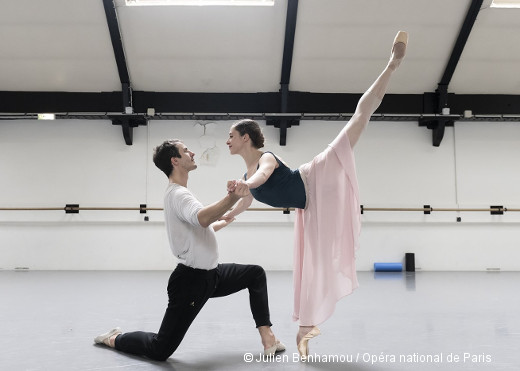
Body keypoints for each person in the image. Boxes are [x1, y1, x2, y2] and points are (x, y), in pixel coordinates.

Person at [224, 31, 408, 360]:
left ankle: (392, 65)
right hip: (310, 209)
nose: (227, 141)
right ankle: (306, 329)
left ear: (247, 139)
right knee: (312, 270)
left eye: (231, 135)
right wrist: (224, 218)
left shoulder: (264, 159)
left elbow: (261, 179)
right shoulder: (244, 176)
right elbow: (245, 201)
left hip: (316, 177)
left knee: (358, 120)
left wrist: (246, 186)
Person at [94, 139, 285, 361]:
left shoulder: (183, 193)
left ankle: (268, 337)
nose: (192, 152)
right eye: (186, 151)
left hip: (212, 276)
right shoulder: (178, 195)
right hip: (191, 283)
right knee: (160, 349)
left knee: (255, 274)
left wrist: (225, 219)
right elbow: (202, 218)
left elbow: (202, 226)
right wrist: (233, 196)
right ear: (175, 160)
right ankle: (115, 338)